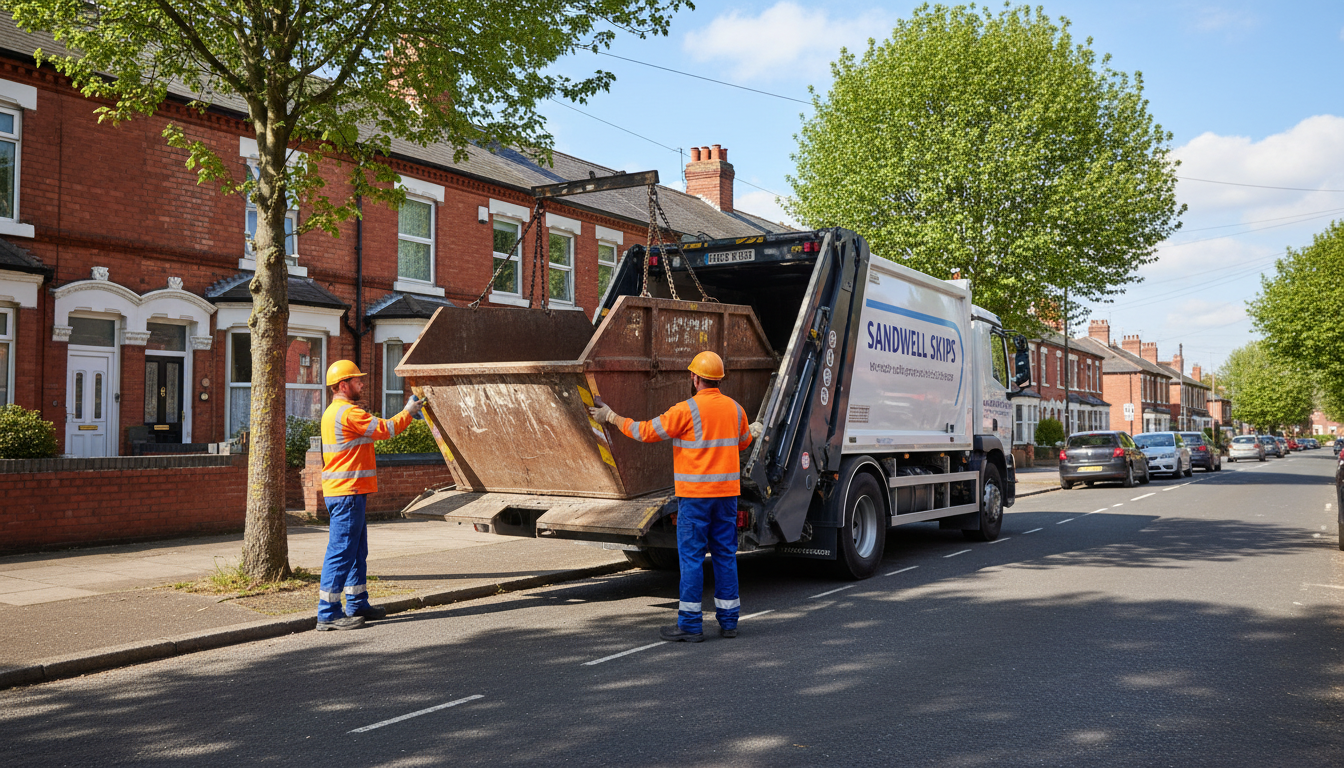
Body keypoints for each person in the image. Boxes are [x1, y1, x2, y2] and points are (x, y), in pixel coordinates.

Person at [589, 351, 762, 642]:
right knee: (725, 556)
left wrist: (611, 416)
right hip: (727, 497)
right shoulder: (736, 410)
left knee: (693, 559)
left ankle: (691, 626)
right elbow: (744, 441)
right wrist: (753, 431)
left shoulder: (685, 410)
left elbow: (644, 432)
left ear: (695, 378)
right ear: (719, 379)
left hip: (695, 499)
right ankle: (729, 623)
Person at [315, 359, 422, 631]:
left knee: (356, 551)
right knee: (341, 552)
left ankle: (357, 603)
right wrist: (409, 411)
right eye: (357, 380)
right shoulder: (349, 413)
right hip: (347, 492)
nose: (362, 383)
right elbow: (385, 430)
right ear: (343, 385)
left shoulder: (333, 412)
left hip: (347, 492)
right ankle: (328, 613)